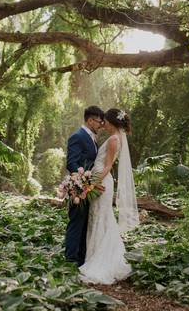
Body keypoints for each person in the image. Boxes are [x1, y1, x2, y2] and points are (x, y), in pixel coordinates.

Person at [78, 107, 139, 285]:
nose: (102, 123)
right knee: (99, 218)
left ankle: (101, 261)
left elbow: (107, 167)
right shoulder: (115, 138)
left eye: (104, 120)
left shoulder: (113, 140)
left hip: (101, 183)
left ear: (111, 122)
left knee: (100, 218)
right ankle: (95, 256)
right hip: (99, 182)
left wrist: (90, 185)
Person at [64, 105, 104, 265]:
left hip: (89, 188)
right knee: (76, 222)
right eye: (99, 122)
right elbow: (72, 163)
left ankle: (81, 257)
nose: (101, 125)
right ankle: (71, 258)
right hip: (79, 188)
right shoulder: (78, 136)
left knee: (85, 222)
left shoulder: (92, 138)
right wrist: (84, 183)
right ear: (90, 120)